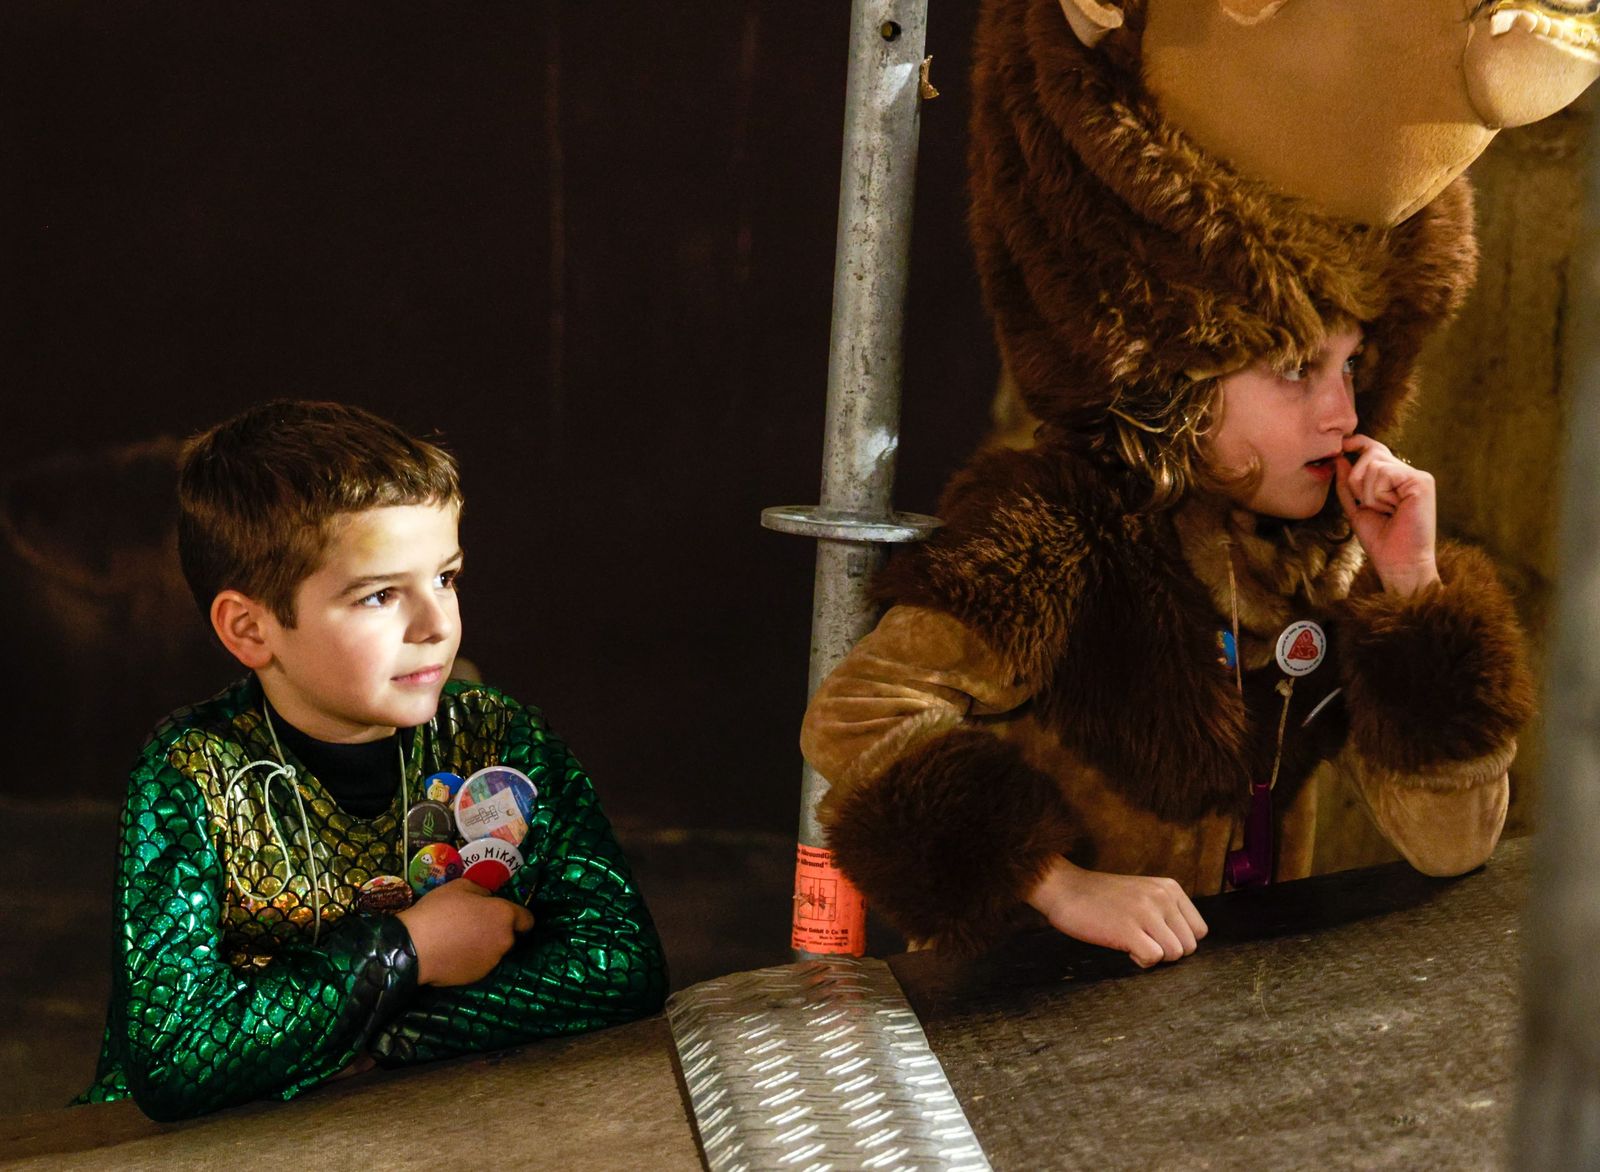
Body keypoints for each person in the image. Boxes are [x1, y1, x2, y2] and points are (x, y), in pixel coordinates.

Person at [797, 1, 1535, 967]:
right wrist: (1059, 886)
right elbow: (855, 718)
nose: (1341, 414)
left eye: (1351, 367)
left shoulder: (1322, 555)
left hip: (1215, 1027)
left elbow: (1454, 846)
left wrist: (1415, 590)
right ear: (1182, 368)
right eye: (1294, 371)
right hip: (1025, 1019)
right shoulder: (1058, 524)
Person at [76, 400, 666, 1120]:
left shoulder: (498, 738)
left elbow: (620, 964)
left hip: (433, 1113)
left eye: (446, 578)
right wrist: (409, 950)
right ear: (251, 629)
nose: (436, 624)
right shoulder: (192, 774)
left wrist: (386, 1040)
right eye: (381, 595)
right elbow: (174, 1058)